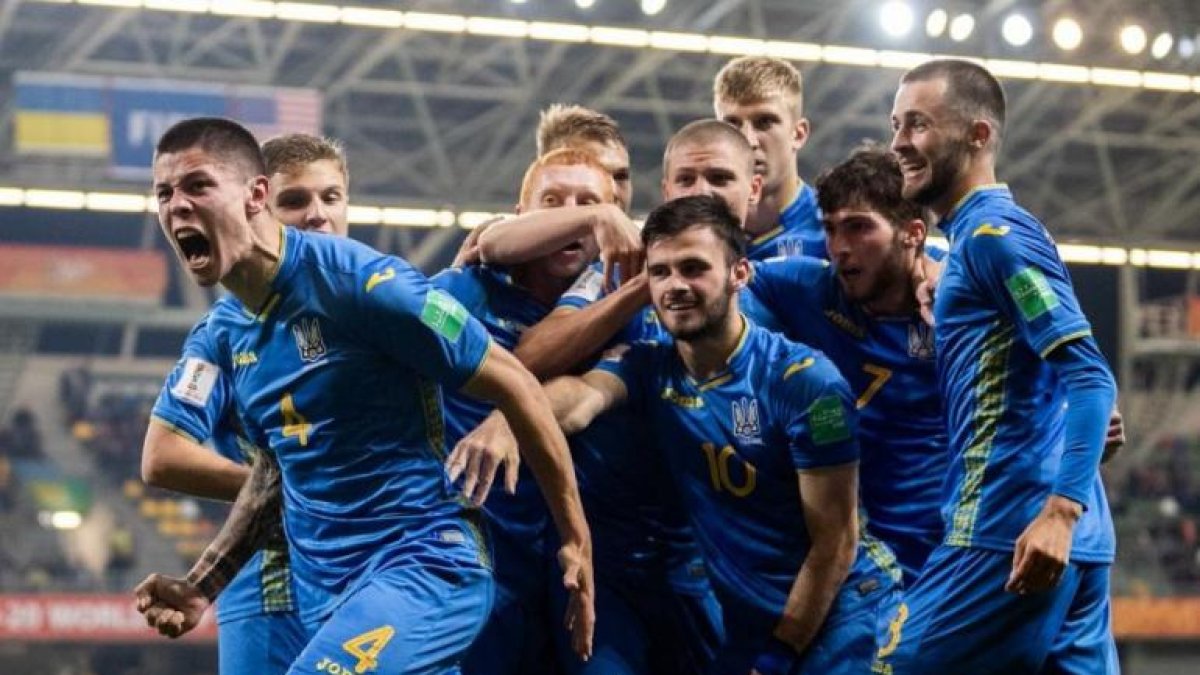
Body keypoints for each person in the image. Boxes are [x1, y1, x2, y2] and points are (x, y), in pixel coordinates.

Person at [131, 117, 595, 673]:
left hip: (424, 565)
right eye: (164, 193)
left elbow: (515, 381)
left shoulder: (365, 284)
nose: (177, 205)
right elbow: (273, 475)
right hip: (326, 593)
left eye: (197, 186)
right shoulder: (224, 335)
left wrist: (575, 537)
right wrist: (203, 584)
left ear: (256, 195)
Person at [466, 195, 900, 674]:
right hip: (752, 628)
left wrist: (779, 657)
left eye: (693, 268)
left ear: (740, 274)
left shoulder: (806, 384)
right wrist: (510, 418)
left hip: (845, 615)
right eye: (661, 272)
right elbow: (582, 395)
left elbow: (835, 544)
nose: (675, 286)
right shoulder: (653, 368)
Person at [875, 59, 1118, 673]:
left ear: (978, 136)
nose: (900, 142)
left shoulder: (993, 237)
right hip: (1073, 540)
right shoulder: (971, 246)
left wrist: (1058, 514)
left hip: (1006, 530)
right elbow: (1035, 371)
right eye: (896, 123)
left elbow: (1090, 380)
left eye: (919, 124)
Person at [142, 133, 350, 675]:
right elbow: (162, 456)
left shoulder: (379, 298)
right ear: (257, 204)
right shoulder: (223, 332)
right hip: (271, 584)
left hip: (370, 572)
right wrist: (293, 489)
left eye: (332, 198)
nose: (318, 216)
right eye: (295, 201)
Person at [435, 148, 611, 675]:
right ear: (521, 215)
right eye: (553, 202)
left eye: (588, 203)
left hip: (582, 569)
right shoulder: (462, 295)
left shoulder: (627, 308)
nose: (569, 217)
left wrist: (512, 417)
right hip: (476, 564)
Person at [749, 145, 946, 584]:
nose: (839, 247)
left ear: (913, 233)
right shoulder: (810, 288)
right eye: (830, 229)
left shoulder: (959, 299)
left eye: (859, 228)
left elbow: (1047, 377)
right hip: (855, 562)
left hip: (944, 560)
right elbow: (731, 278)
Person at [713, 56, 824, 260]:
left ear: (798, 134)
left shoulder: (832, 229)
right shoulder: (700, 233)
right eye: (733, 124)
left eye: (764, 122)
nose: (748, 140)